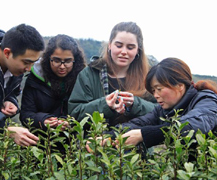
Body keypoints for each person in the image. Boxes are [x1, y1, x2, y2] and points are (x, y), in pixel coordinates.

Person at [86, 58, 217, 153]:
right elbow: (139, 123)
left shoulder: (206, 99)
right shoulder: (163, 110)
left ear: (180, 86)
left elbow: (193, 125)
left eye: (159, 89)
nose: (156, 95)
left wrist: (143, 135)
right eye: (153, 91)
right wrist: (107, 137)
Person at [68, 21, 156, 130]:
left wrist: (135, 104)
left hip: (136, 145)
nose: (124, 52)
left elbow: (162, 112)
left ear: (138, 49)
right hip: (95, 144)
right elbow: (74, 114)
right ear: (109, 45)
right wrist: (105, 105)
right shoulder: (89, 74)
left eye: (130, 47)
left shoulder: (149, 77)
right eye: (119, 45)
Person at [0, 24, 45, 146]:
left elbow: (10, 91)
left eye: (33, 63)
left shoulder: (14, 65)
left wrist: (9, 100)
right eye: (26, 62)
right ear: (7, 53)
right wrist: (6, 129)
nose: (29, 69)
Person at [20, 34, 86, 152]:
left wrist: (69, 122)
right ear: (48, 58)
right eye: (56, 60)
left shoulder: (83, 79)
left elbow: (87, 111)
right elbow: (25, 114)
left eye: (67, 61)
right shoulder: (35, 78)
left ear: (75, 60)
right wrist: (44, 120)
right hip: (39, 145)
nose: (62, 66)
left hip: (72, 147)